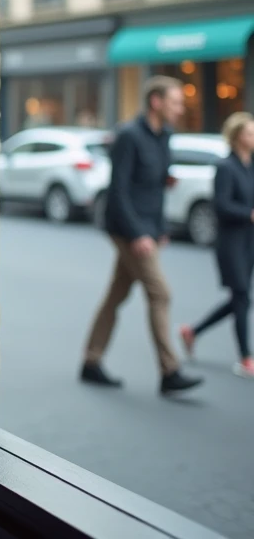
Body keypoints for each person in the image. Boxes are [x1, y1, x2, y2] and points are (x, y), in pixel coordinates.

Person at [81, 76, 203, 395]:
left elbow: (158, 187)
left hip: (148, 229)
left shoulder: (165, 136)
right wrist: (137, 234)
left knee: (116, 294)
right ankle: (170, 371)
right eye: (175, 102)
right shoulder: (128, 136)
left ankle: (90, 362)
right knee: (160, 292)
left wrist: (159, 229)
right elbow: (118, 191)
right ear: (156, 102)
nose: (181, 108)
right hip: (126, 229)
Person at [179, 112, 254, 379]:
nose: (253, 137)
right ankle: (246, 357)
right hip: (230, 241)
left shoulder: (250, 165)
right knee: (242, 296)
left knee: (240, 299)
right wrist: (249, 214)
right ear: (237, 137)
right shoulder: (225, 167)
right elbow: (221, 206)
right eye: (249, 133)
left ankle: (193, 331)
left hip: (248, 240)